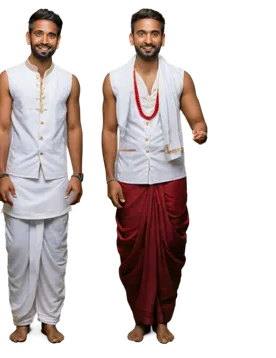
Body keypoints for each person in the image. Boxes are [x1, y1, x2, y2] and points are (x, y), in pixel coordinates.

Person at [101, 7, 209, 345]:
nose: (149, 40)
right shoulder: (113, 78)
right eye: (142, 34)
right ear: (130, 38)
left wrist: (201, 131)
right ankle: (140, 321)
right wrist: (110, 178)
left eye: (155, 33)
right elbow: (108, 130)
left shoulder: (180, 76)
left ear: (165, 38)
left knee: (170, 247)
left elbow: (197, 120)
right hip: (129, 174)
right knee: (131, 249)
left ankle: (164, 319)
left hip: (171, 172)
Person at [0, 8, 84, 344]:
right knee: (17, 252)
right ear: (27, 37)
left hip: (58, 179)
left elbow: (75, 127)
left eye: (51, 35)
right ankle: (20, 319)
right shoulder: (9, 76)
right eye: (38, 34)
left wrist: (77, 175)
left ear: (58, 40)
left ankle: (49, 320)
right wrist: (1, 173)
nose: (44, 40)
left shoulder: (69, 80)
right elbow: (1, 127)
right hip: (19, 177)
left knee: (55, 252)